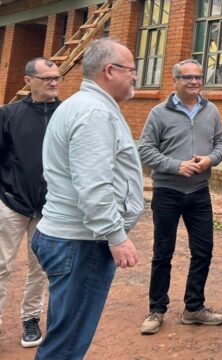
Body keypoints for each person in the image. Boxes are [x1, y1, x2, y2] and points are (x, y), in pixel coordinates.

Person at [32, 38, 143, 359]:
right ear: (110, 71)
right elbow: (93, 187)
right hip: (81, 243)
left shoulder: (83, 106)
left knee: (64, 335)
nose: (135, 76)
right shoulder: (94, 112)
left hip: (70, 239)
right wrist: (116, 236)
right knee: (65, 347)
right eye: (132, 70)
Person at [139, 59, 222, 335]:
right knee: (162, 252)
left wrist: (210, 160)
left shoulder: (211, 110)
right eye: (187, 77)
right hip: (168, 191)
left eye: (198, 77)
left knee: (203, 251)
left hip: (199, 191)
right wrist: (175, 165)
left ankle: (193, 308)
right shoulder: (158, 113)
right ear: (175, 80)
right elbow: (145, 150)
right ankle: (156, 309)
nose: (194, 82)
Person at [0, 57, 61, 348]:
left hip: (50, 208)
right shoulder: (8, 115)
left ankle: (30, 319)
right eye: (46, 77)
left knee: (40, 268)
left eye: (56, 77)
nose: (53, 82)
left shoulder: (66, 113)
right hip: (12, 204)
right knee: (1, 266)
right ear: (28, 81)